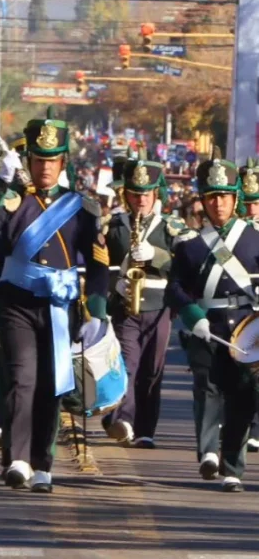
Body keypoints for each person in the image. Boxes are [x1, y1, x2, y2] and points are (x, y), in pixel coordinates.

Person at [0, 108, 109, 493]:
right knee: (22, 378)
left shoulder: (81, 208)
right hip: (17, 304)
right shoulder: (13, 202)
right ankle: (17, 458)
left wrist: (96, 311)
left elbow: (99, 263)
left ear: (62, 162)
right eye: (37, 160)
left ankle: (41, 461)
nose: (44, 168)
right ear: (28, 161)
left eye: (51, 161)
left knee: (53, 383)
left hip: (60, 308)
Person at [165, 150, 259, 492]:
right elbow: (174, 289)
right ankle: (207, 453)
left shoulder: (254, 240)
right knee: (207, 389)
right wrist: (193, 316)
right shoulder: (191, 246)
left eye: (224, 196)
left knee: (242, 397)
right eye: (211, 197)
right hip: (207, 327)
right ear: (202, 201)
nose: (218, 204)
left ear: (235, 198)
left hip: (247, 331)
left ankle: (233, 466)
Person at [103, 151, 184, 448]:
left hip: (159, 304)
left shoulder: (171, 227)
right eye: (135, 194)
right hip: (125, 305)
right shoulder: (114, 225)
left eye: (146, 194)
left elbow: (186, 265)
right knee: (128, 364)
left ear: (156, 193)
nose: (141, 200)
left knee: (152, 369)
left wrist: (158, 256)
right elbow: (101, 264)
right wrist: (114, 286)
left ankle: (146, 429)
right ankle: (123, 419)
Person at [239, 158, 259, 452]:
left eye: (257, 201)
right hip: (240, 308)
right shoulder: (234, 232)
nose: (253, 208)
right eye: (248, 202)